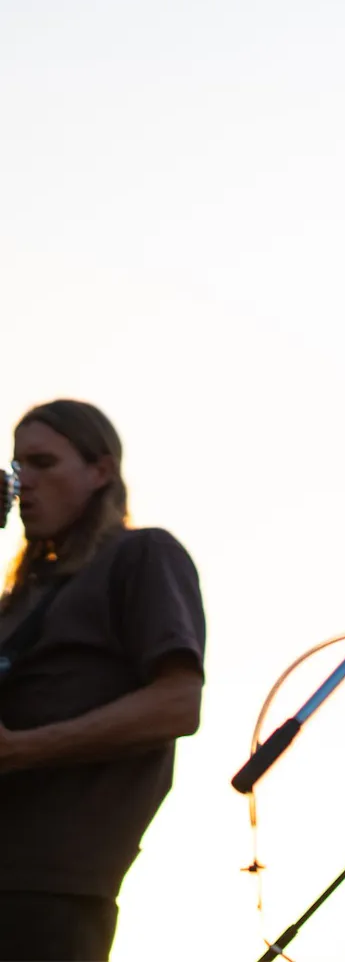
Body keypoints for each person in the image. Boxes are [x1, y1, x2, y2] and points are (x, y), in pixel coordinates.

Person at [0, 400, 206, 961]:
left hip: (49, 891)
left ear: (101, 470)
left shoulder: (142, 554)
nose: (25, 485)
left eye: (43, 463)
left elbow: (179, 704)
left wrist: (22, 749)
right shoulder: (21, 598)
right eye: (18, 469)